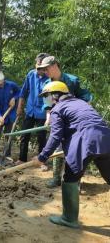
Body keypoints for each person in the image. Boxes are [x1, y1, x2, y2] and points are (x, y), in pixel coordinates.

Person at [32, 81, 110, 228]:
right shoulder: (81, 103)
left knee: (70, 178)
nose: (45, 99)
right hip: (106, 139)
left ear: (55, 95)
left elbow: (55, 136)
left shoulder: (58, 109)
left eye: (46, 95)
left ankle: (69, 219)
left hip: (84, 141)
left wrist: (42, 157)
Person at [37, 55, 92, 188]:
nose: (45, 72)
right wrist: (48, 119)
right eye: (43, 69)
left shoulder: (72, 80)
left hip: (74, 122)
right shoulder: (46, 84)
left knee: (74, 149)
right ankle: (56, 178)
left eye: (46, 68)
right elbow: (48, 106)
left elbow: (86, 98)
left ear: (55, 65)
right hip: (57, 120)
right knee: (57, 147)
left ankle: (74, 180)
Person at [16, 53, 50, 170]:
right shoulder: (31, 74)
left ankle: (42, 161)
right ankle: (22, 158)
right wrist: (20, 107)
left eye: (41, 68)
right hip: (30, 110)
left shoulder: (50, 78)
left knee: (41, 136)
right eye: (37, 66)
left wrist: (49, 115)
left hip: (42, 112)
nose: (39, 69)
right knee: (24, 135)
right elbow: (23, 92)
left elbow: (51, 99)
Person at [0, 69, 21, 162]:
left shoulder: (11, 85)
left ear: (3, 78)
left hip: (10, 114)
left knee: (9, 135)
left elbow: (20, 92)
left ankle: (7, 154)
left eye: (0, 80)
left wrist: (14, 98)